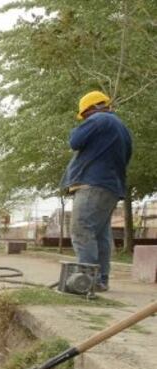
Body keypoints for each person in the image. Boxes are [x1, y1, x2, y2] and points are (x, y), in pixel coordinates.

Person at [61, 90, 133, 292]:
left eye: (84, 114)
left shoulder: (99, 119)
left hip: (93, 185)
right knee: (100, 235)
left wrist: (81, 127)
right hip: (111, 186)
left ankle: (86, 281)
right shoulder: (122, 129)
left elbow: (75, 141)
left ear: (93, 108)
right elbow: (126, 156)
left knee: (82, 229)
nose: (84, 118)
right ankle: (100, 280)